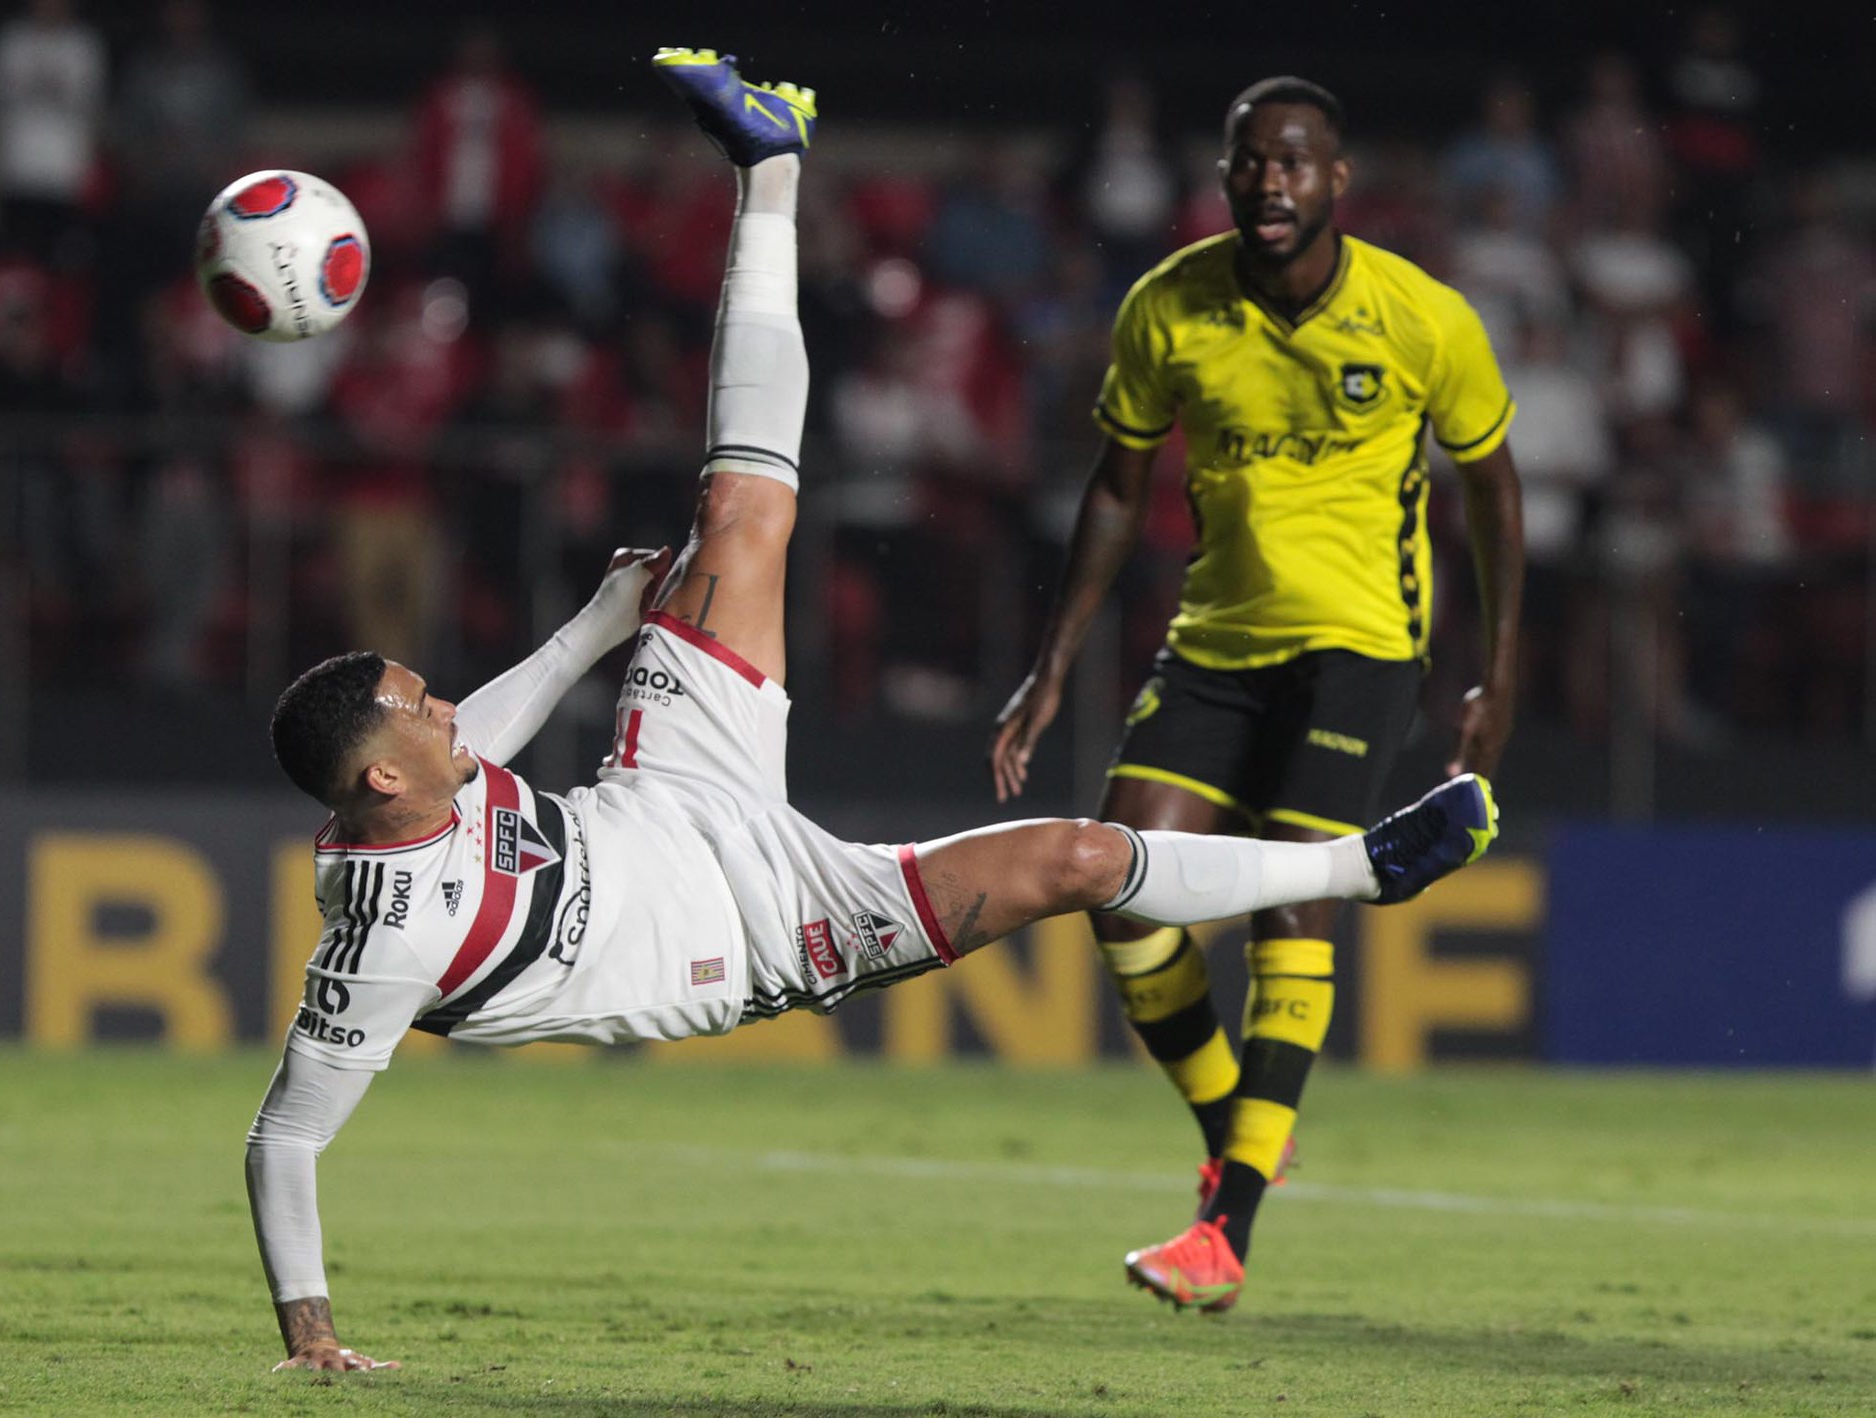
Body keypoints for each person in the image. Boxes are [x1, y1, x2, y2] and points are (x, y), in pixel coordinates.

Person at [246, 54, 1505, 1372]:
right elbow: (284, 1135)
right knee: (1075, 858)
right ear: (380, 782)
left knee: (738, 513)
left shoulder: (415, 778)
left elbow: (484, 743)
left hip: (663, 789)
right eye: (418, 705)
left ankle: (771, 165)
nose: (444, 706)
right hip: (751, 933)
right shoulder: (382, 939)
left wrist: (594, 631)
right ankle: (1362, 869)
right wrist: (312, 1336)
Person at [988, 77, 1524, 1312]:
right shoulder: (1167, 306)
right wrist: (1055, 657)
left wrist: (1500, 668)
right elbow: (1119, 487)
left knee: (1296, 897)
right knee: (1116, 887)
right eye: (1247, 163)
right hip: (1214, 641)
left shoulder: (1418, 317)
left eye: (1292, 164)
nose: (1268, 183)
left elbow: (1491, 489)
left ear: (1336, 181)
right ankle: (1245, 1124)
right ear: (1225, 176)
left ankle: (1221, 1228)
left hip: (1360, 642)